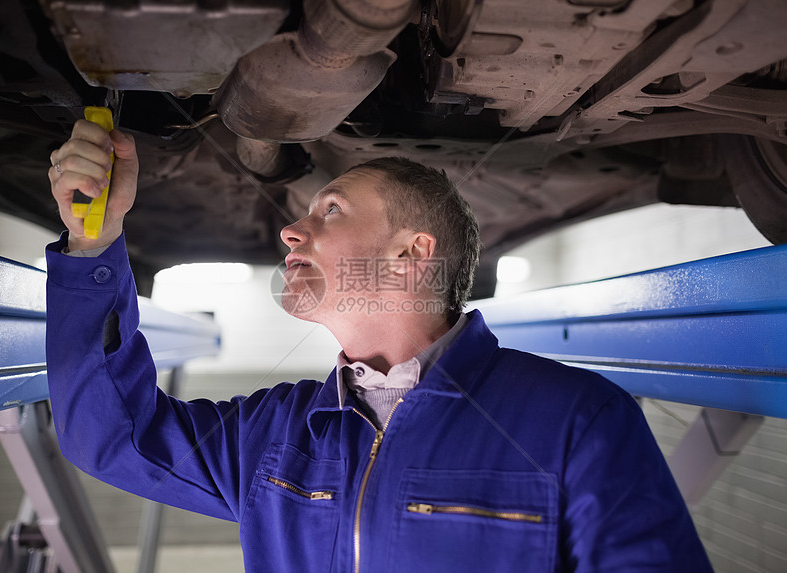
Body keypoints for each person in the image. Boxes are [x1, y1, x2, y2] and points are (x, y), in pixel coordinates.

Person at [45, 119, 713, 572]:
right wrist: (92, 246)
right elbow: (114, 437)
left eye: (329, 209)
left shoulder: (577, 419)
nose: (290, 233)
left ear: (408, 254)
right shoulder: (275, 434)